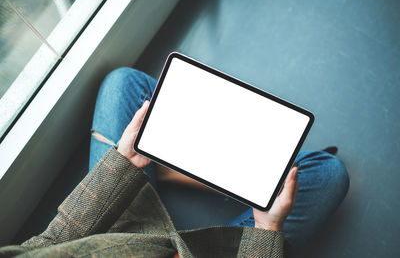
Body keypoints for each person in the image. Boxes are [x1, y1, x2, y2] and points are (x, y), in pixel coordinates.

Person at [0, 68, 349, 257]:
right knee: (326, 174)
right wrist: (267, 230)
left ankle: (155, 166)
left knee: (127, 83)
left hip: (120, 233)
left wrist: (121, 165)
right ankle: (165, 166)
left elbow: (47, 245)